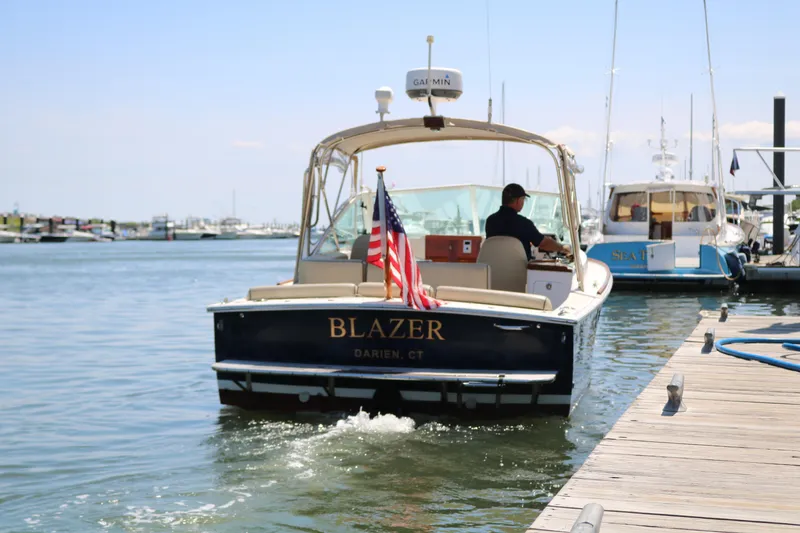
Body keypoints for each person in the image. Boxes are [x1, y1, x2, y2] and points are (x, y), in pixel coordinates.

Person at [485, 183, 571, 260]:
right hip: (518, 271)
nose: (523, 203)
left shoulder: (490, 221)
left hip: (494, 270)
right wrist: (562, 248)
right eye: (523, 200)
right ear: (518, 200)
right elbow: (544, 244)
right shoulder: (523, 223)